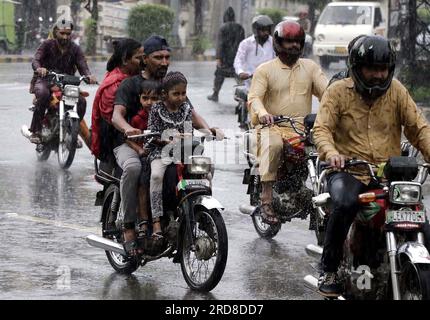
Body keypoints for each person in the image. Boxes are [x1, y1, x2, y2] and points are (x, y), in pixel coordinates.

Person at [313, 35, 430, 297]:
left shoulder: (397, 91)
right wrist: (331, 153)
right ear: (357, 67)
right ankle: (329, 268)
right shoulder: (337, 91)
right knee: (344, 204)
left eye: (383, 69)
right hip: (348, 171)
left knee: (419, 218)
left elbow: (419, 129)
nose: (379, 75)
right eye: (372, 69)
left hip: (387, 175)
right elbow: (321, 130)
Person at [111, 36, 220, 255]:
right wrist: (128, 129)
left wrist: (208, 130)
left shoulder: (172, 84)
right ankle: (130, 226)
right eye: (158, 57)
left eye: (167, 57)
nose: (164, 62)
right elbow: (116, 116)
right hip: (131, 143)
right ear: (145, 59)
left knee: (200, 164)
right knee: (135, 168)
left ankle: (195, 213)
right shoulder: (130, 84)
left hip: (168, 145)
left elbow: (192, 113)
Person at [248, 20, 328, 225]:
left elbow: (328, 94)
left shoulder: (310, 68)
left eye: (297, 42)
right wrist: (263, 112)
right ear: (278, 43)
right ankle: (266, 198)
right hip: (271, 126)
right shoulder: (265, 70)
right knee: (273, 144)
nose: (293, 46)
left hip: (302, 129)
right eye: (288, 42)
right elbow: (254, 97)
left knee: (329, 151)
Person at [148, 71, 216, 239]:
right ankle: (156, 220)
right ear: (165, 94)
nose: (180, 97)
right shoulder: (156, 109)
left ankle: (203, 210)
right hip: (161, 152)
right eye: (176, 93)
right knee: (156, 176)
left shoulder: (186, 108)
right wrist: (166, 139)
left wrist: (210, 131)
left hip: (184, 151)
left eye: (183, 93)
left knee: (208, 169)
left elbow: (195, 125)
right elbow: (152, 135)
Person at [28, 18, 97, 144]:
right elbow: (36, 60)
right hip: (46, 80)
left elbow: (82, 65)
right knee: (43, 95)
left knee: (81, 102)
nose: (65, 37)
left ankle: (72, 131)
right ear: (55, 32)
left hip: (66, 82)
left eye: (68, 34)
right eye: (62, 33)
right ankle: (36, 131)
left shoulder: (75, 48)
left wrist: (88, 76)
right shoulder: (47, 45)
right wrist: (40, 68)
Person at [90, 38, 144, 161]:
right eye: (138, 58)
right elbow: (114, 120)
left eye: (144, 57)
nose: (143, 62)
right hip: (115, 136)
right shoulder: (115, 85)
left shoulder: (134, 77)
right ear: (125, 60)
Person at [207, 7, 245, 102]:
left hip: (225, 59)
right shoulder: (240, 28)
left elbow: (220, 44)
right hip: (237, 58)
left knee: (219, 75)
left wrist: (219, 58)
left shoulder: (223, 28)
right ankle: (243, 95)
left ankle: (215, 94)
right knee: (240, 77)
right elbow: (243, 44)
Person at [234, 15, 275, 89]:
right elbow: (238, 60)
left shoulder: (273, 42)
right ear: (256, 30)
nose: (266, 33)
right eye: (263, 30)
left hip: (269, 81)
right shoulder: (246, 43)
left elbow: (277, 59)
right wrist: (241, 72)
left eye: (267, 30)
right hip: (250, 82)